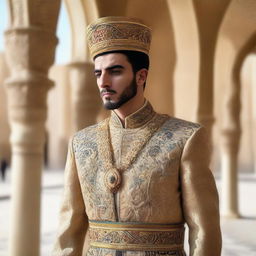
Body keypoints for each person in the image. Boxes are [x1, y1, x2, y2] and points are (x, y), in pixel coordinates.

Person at [53, 16, 221, 256]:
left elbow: (204, 229)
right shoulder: (81, 143)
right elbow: (68, 231)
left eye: (115, 72)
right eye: (98, 73)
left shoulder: (184, 138)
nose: (104, 82)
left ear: (141, 76)